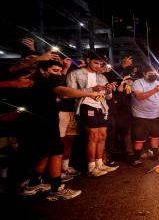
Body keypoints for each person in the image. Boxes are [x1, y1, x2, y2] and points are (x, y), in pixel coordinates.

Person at [20, 61, 100, 200]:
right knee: (56, 153)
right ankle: (56, 189)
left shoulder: (39, 82)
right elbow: (63, 91)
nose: (58, 73)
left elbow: (62, 94)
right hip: (44, 123)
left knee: (46, 153)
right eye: (54, 70)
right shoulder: (47, 82)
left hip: (40, 122)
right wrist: (88, 93)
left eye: (59, 71)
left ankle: (33, 184)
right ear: (43, 70)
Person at [130, 67, 159, 166]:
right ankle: (136, 158)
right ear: (144, 74)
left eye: (154, 73)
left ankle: (156, 155)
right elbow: (139, 97)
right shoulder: (138, 83)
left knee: (155, 137)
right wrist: (154, 90)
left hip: (155, 115)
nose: (153, 75)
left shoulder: (158, 83)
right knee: (139, 139)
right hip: (140, 116)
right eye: (150, 73)